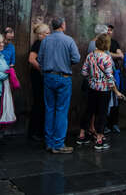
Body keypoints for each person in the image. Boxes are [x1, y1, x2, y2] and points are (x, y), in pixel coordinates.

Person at [38, 17, 81, 154]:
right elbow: (76, 58)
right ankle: (58, 144)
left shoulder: (45, 40)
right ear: (63, 25)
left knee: (49, 109)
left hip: (48, 76)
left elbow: (40, 59)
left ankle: (49, 143)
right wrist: (64, 61)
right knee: (61, 110)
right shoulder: (68, 40)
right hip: (63, 77)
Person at [80, 34, 125, 150]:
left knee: (89, 111)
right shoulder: (107, 58)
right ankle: (99, 139)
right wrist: (116, 92)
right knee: (102, 113)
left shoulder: (90, 55)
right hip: (104, 90)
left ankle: (81, 136)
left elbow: (84, 72)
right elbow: (110, 77)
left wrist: (92, 79)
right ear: (107, 44)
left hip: (92, 88)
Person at [28, 23, 50, 142]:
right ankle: (34, 132)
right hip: (38, 76)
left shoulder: (44, 43)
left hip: (41, 76)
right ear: (40, 35)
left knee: (41, 103)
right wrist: (42, 70)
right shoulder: (38, 43)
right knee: (39, 103)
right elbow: (31, 59)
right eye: (47, 33)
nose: (49, 34)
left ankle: (38, 131)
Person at [106, 23, 124, 134]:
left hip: (115, 74)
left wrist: (109, 54)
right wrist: (112, 54)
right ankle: (105, 125)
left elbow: (121, 55)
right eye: (107, 30)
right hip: (105, 75)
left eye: (110, 30)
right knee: (106, 100)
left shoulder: (114, 43)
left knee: (116, 99)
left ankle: (114, 124)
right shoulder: (101, 42)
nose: (109, 32)